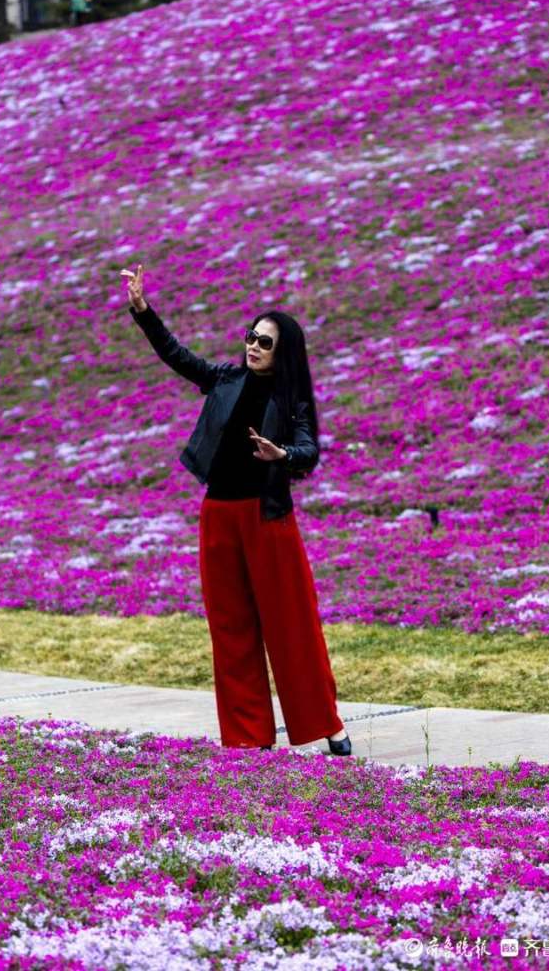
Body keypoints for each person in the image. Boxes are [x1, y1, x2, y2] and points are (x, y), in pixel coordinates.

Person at [121, 264, 351, 756]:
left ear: (282, 351)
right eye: (251, 337)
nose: (253, 346)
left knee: (291, 625)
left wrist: (282, 454)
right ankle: (249, 737)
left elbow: (309, 449)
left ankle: (325, 722)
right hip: (219, 515)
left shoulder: (291, 400)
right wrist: (143, 312)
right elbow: (178, 357)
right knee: (231, 628)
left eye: (264, 342)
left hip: (267, 519)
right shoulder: (225, 378)